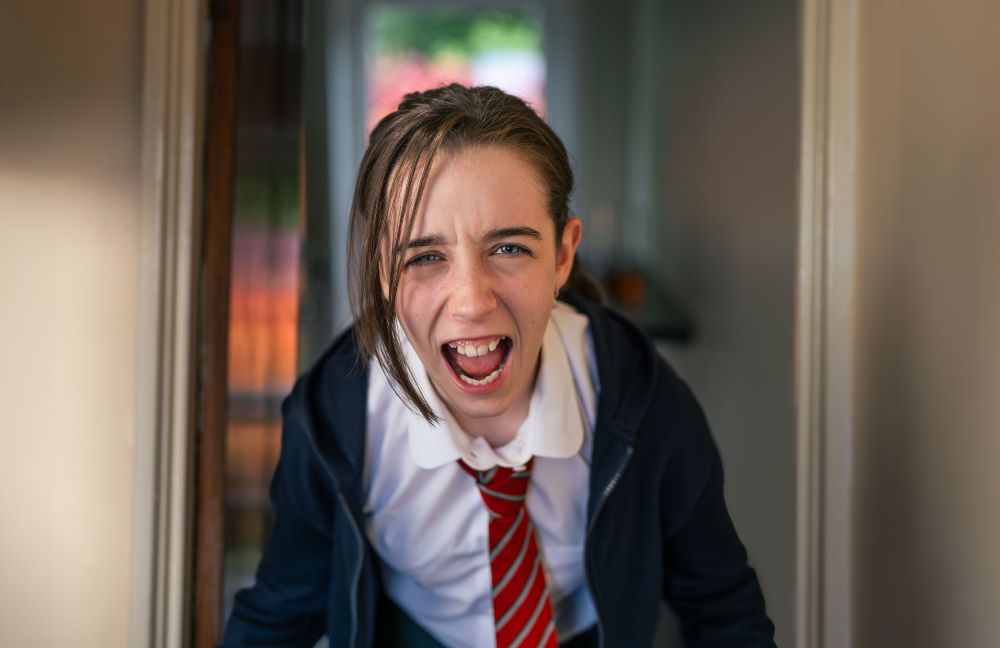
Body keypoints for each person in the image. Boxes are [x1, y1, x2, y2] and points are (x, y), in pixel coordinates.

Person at [221, 84, 775, 648]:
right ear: (385, 278)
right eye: (426, 257)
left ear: (563, 256)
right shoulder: (334, 422)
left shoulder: (645, 399)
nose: (471, 302)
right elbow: (278, 613)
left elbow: (722, 607)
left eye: (509, 249)